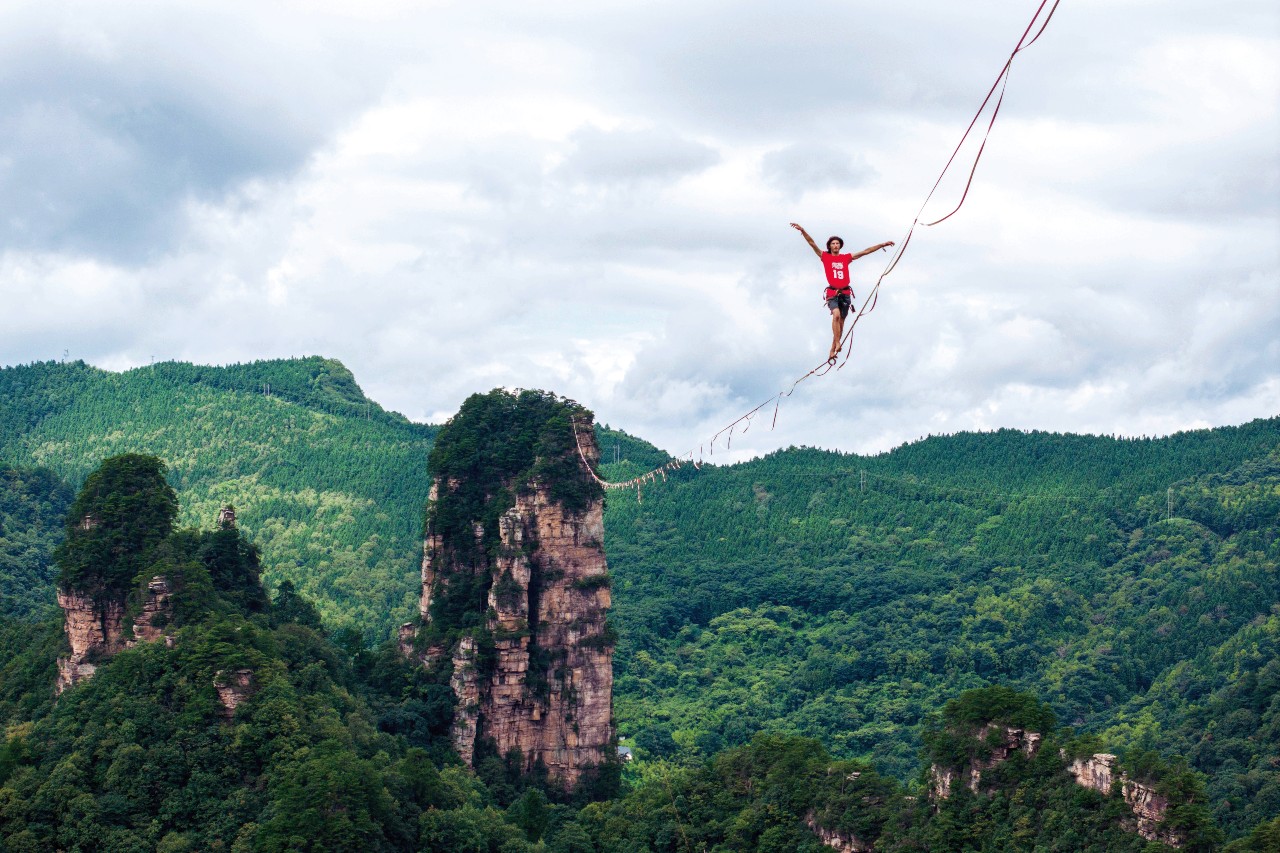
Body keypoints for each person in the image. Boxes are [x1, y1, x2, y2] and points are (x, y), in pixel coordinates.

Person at [790, 223, 894, 361]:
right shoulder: (825, 257)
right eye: (833, 244)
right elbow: (812, 243)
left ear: (840, 246)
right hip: (833, 293)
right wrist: (803, 231)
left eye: (837, 243)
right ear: (829, 246)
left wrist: (882, 245)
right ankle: (838, 343)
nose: (835, 245)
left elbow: (865, 251)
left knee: (841, 324)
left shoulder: (846, 258)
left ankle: (832, 349)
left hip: (845, 293)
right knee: (836, 315)